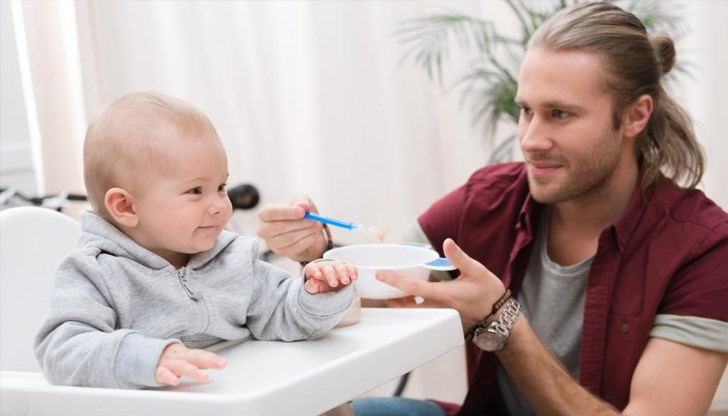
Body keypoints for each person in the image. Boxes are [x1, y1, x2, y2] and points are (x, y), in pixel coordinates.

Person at [257, 2, 728, 415]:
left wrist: (503, 322)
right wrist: (319, 253)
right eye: (526, 110)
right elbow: (387, 284)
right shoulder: (490, 199)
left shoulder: (703, 250)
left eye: (559, 114)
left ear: (635, 116)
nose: (529, 140)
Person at [34, 91, 358, 389]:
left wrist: (316, 296)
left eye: (221, 187)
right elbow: (61, 352)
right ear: (126, 207)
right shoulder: (95, 273)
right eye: (195, 191)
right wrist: (146, 358)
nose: (220, 205)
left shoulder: (235, 259)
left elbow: (283, 316)